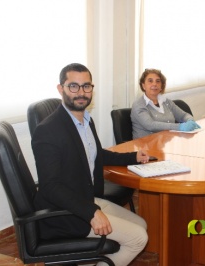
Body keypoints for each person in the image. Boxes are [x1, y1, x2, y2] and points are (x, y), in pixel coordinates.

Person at [31, 63, 149, 266]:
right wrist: (91, 212)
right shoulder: (48, 131)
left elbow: (95, 154)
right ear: (61, 89)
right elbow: (50, 186)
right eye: (73, 86)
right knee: (138, 238)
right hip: (64, 213)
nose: (81, 93)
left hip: (85, 198)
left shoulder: (85, 120)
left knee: (141, 224)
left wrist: (133, 157)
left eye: (86, 86)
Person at [131, 68, 201, 139]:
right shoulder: (138, 105)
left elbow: (184, 115)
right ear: (143, 86)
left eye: (158, 81)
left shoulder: (166, 102)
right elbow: (150, 125)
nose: (154, 84)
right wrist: (180, 127)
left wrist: (190, 120)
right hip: (145, 146)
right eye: (150, 81)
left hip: (165, 143)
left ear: (161, 86)